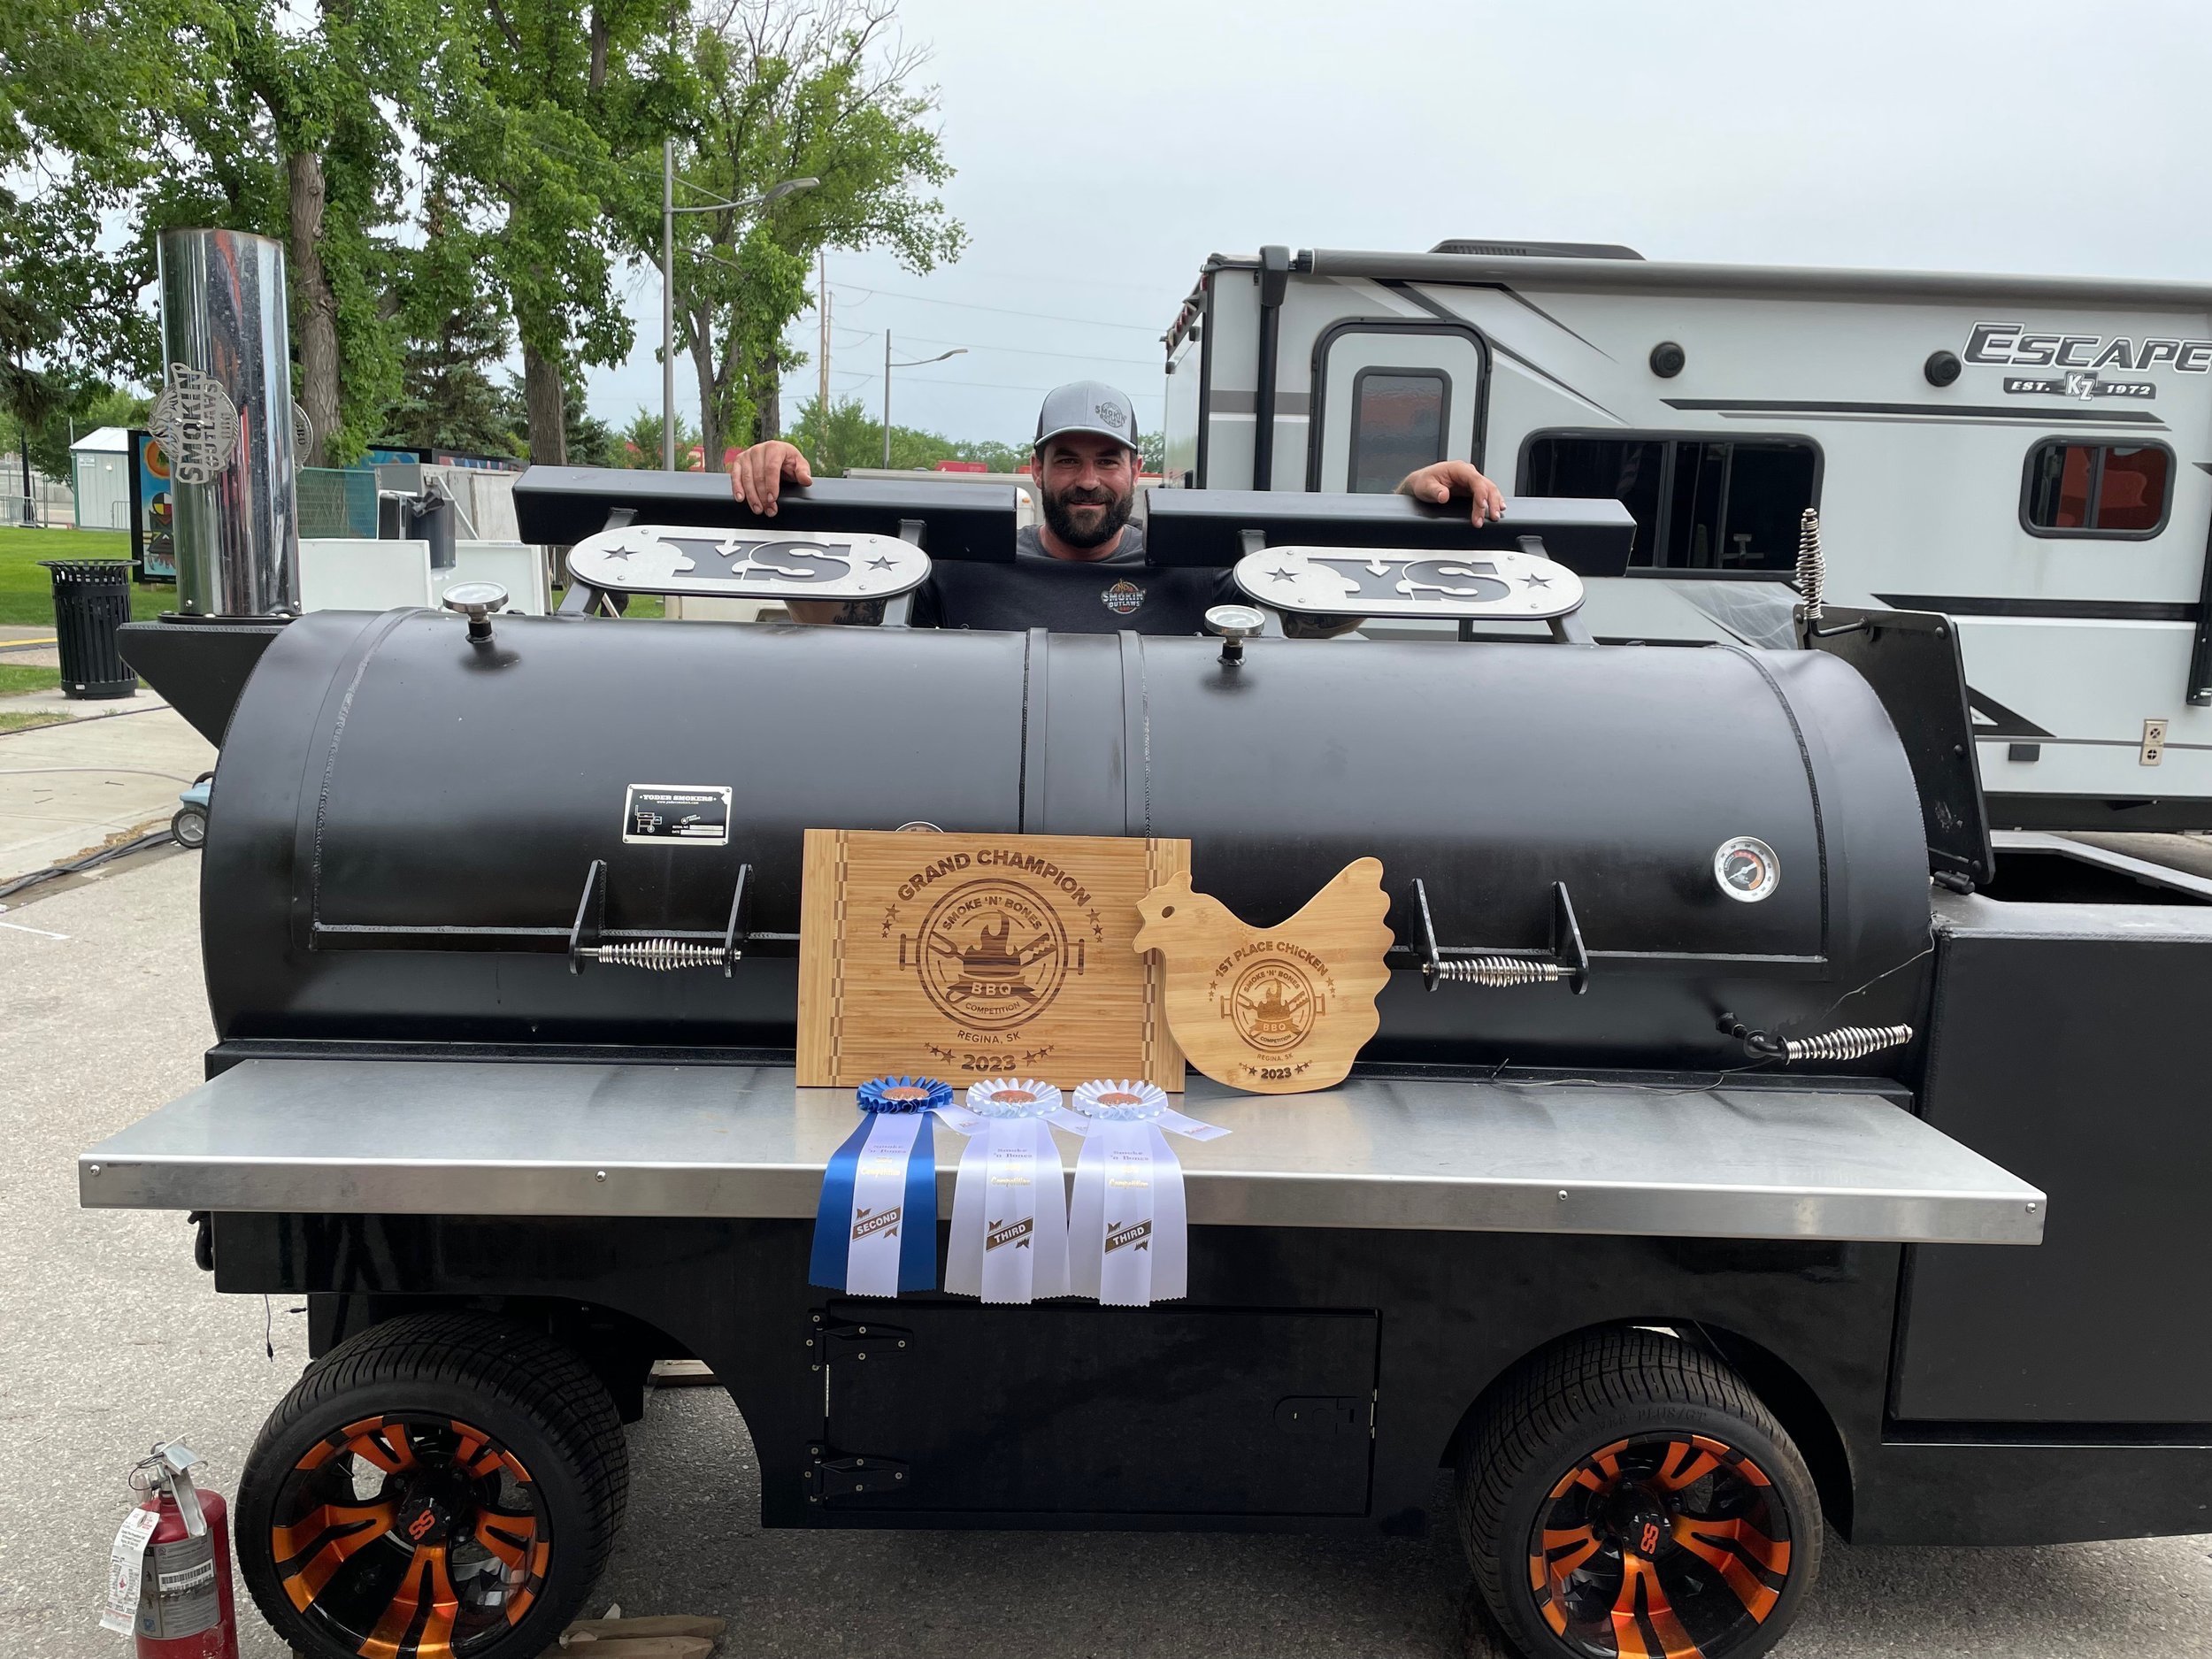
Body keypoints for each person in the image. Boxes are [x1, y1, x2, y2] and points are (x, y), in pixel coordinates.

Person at [726, 380, 1507, 634]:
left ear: (1139, 471)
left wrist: (1411, 509)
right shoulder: (962, 572)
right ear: (1033, 470)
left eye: (1106, 460)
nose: (1086, 480)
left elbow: (1321, 608)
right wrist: (787, 499)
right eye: (1066, 460)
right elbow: (834, 615)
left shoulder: (1195, 575)